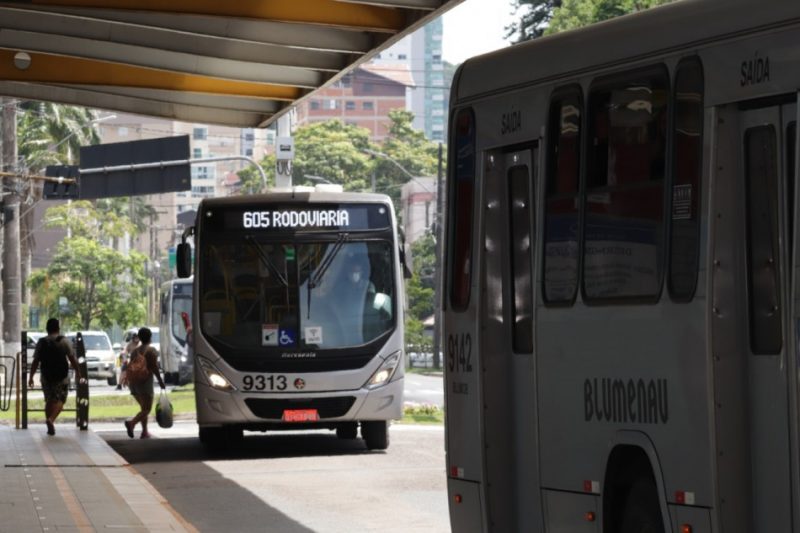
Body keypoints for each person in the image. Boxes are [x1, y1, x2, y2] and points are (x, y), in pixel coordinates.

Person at [28, 318, 82, 436]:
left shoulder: (42, 342)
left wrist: (31, 377)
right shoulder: (64, 341)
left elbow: (36, 361)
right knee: (61, 400)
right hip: (61, 377)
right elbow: (72, 359)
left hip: (46, 376)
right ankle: (51, 420)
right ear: (58, 328)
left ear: (47, 329)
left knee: (49, 400)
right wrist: (78, 372)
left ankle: (49, 426)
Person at [123, 327, 165, 439]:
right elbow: (154, 367)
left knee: (143, 409)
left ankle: (144, 432)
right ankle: (132, 423)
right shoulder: (151, 351)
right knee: (147, 409)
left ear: (140, 337)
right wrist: (160, 381)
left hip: (134, 383)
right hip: (145, 384)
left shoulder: (135, 351)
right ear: (150, 337)